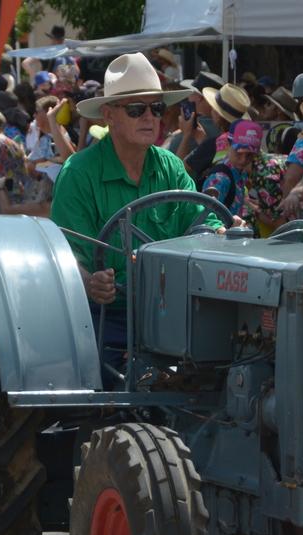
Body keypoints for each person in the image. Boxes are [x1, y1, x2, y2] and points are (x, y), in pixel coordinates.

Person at [49, 53, 229, 381]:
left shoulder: (170, 166)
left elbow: (201, 220)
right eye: (136, 109)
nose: (149, 118)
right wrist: (90, 282)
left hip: (175, 309)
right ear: (109, 116)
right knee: (92, 387)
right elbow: (65, 253)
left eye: (156, 108)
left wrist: (221, 233)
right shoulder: (79, 173)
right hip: (108, 316)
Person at [202, 119, 263, 218]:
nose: (243, 160)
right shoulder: (220, 178)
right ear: (229, 144)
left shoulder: (240, 173)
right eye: (238, 153)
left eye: (249, 155)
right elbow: (207, 217)